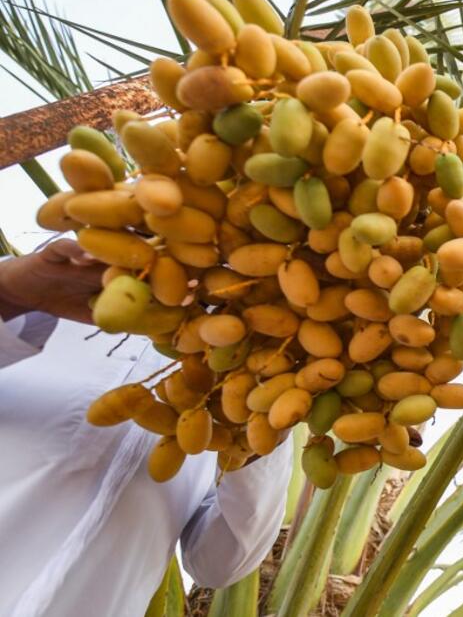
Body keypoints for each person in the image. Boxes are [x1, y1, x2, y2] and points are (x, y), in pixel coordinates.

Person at [0, 239, 292, 617]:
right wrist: (10, 294)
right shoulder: (49, 294)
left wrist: (264, 432)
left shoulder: (237, 396)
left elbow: (219, 565)